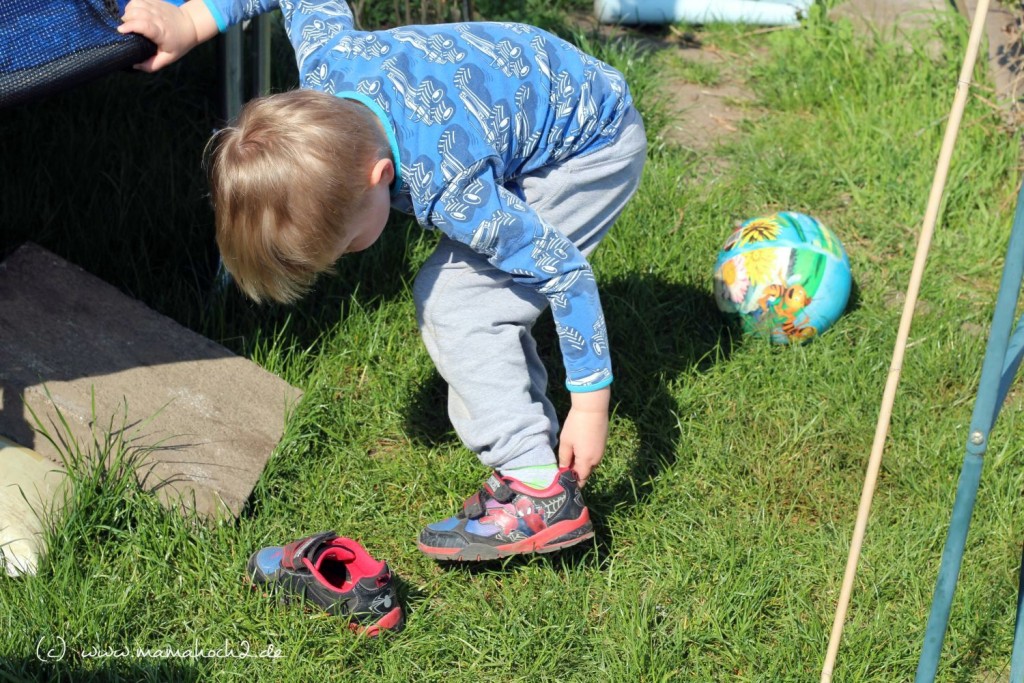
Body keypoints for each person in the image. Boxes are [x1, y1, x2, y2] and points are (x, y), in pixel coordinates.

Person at [118, 0, 647, 561]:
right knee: (465, 292)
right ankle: (527, 451)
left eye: (345, 244)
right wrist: (189, 22)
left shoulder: (451, 187)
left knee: (459, 306)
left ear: (381, 177)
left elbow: (564, 271)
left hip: (593, 147)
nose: (346, 258)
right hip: (536, 91)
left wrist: (590, 409)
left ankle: (540, 491)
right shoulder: (326, 70)